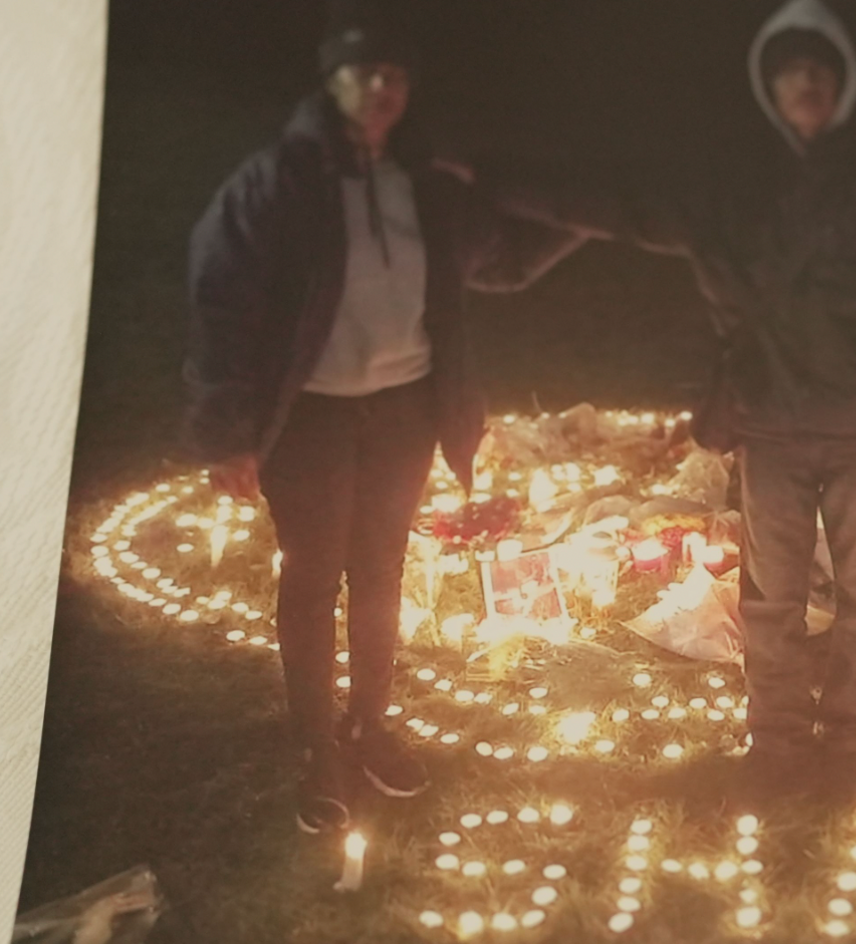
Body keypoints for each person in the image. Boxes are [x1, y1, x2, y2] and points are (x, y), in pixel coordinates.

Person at [490, 0, 856, 807]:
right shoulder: (736, 193)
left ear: (842, 85)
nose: (806, 86)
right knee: (770, 600)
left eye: (820, 72)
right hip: (773, 429)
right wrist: (501, 184)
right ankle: (777, 745)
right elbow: (626, 207)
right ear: (771, 89)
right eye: (791, 73)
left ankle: (853, 748)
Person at [182, 0, 582, 834]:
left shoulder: (424, 185)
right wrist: (227, 430)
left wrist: (581, 218)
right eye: (362, 73)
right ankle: (316, 746)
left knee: (381, 571)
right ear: (331, 81)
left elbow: (500, 263)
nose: (378, 89)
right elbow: (225, 300)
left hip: (404, 410)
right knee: (311, 575)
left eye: (393, 75)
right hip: (313, 417)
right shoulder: (277, 182)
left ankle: (369, 723)